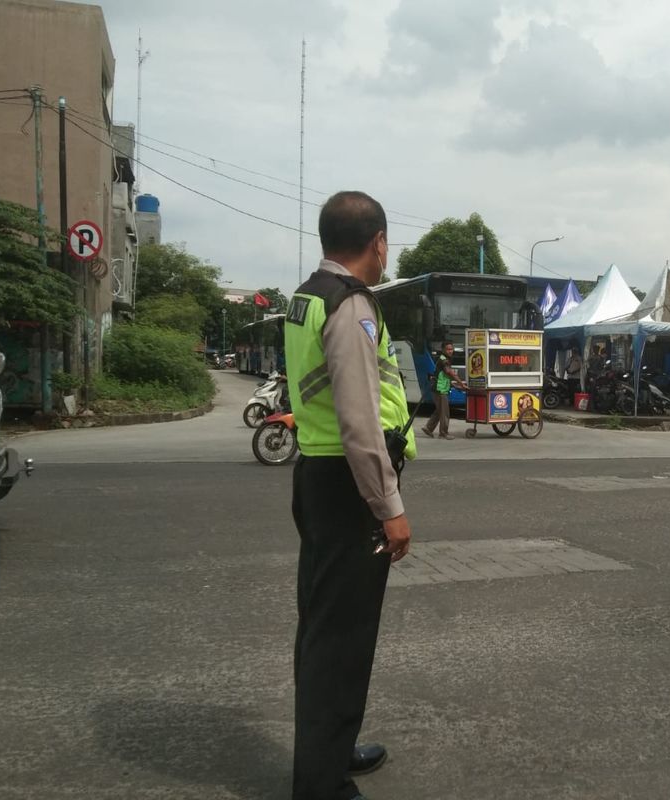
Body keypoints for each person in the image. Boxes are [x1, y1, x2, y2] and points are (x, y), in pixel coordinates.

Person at [284, 191, 416, 800]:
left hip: (318, 475)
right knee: (342, 636)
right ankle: (320, 783)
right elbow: (360, 422)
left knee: (323, 625)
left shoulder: (307, 296)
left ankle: (329, 749)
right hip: (348, 486)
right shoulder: (352, 305)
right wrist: (389, 509)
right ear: (378, 242)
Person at [421, 341, 469, 440]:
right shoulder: (444, 360)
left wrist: (455, 386)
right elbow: (450, 373)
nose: (450, 351)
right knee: (445, 412)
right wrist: (461, 383)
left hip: (440, 389)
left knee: (439, 411)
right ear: (443, 350)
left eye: (451, 349)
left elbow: (444, 377)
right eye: (448, 349)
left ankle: (428, 428)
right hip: (440, 390)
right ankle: (443, 433)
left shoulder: (445, 359)